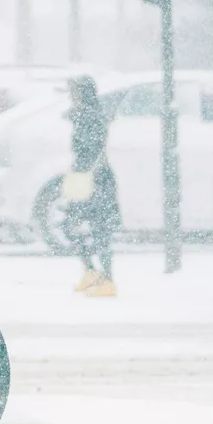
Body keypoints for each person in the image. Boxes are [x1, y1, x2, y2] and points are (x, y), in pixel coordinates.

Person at [65, 75, 120, 297]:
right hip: (83, 176)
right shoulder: (84, 115)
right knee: (74, 225)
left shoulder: (91, 116)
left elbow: (92, 148)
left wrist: (87, 171)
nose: (71, 95)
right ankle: (91, 272)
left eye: (74, 91)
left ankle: (107, 279)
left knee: (98, 229)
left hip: (94, 178)